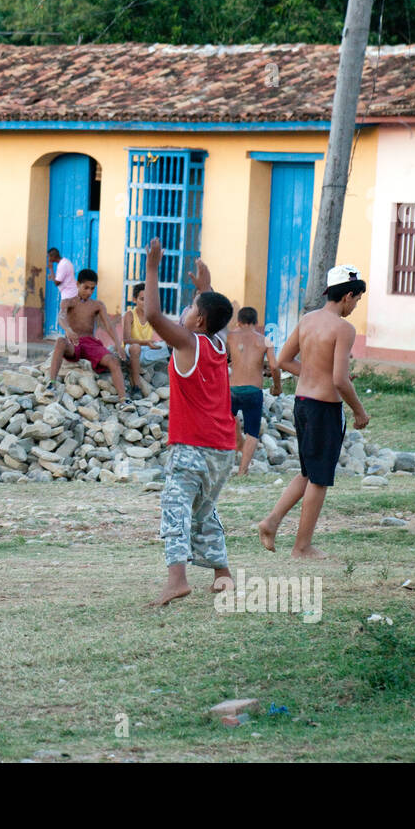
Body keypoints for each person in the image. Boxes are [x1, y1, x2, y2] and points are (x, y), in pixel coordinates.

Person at [140, 241, 237, 606]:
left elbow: (151, 315)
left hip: (192, 446)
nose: (186, 311)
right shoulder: (217, 344)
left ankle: (176, 580)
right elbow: (216, 316)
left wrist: (152, 268)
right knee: (203, 509)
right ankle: (222, 572)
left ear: (197, 321)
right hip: (222, 449)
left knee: (176, 507)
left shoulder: (189, 344)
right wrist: (206, 291)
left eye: (192, 307)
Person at [258, 265, 370, 560]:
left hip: (302, 403)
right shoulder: (344, 329)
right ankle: (302, 546)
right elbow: (339, 380)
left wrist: (314, 374)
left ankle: (271, 522)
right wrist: (359, 412)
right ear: (348, 295)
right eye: (357, 300)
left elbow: (282, 359)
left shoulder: (308, 320)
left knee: (308, 472)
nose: (355, 307)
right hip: (324, 409)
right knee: (320, 479)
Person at [46, 267, 128, 402]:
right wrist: (68, 330)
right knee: (60, 341)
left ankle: (124, 400)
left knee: (113, 360)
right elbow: (61, 317)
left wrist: (118, 345)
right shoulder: (68, 302)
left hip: (91, 343)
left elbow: (108, 325)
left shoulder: (97, 305)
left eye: (92, 288)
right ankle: (52, 384)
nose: (89, 292)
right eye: (86, 288)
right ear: (77, 285)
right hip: (74, 343)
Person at [227, 306, 283, 476]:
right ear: (257, 323)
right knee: (252, 431)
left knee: (230, 419)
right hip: (253, 390)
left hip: (232, 388)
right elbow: (274, 366)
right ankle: (242, 472)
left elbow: (222, 359)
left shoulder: (229, 337)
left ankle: (237, 443)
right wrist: (277, 387)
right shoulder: (265, 341)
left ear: (238, 321)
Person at [120, 281, 168, 398]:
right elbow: (126, 340)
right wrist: (146, 342)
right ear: (135, 300)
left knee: (172, 346)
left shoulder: (152, 316)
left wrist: (166, 343)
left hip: (146, 349)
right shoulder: (129, 315)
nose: (146, 303)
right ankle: (136, 387)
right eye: (142, 299)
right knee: (136, 348)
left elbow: (164, 331)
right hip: (131, 348)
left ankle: (176, 383)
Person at [46, 247, 78, 337]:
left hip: (68, 295)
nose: (49, 259)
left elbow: (57, 282)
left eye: (49, 257)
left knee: (63, 319)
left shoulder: (62, 265)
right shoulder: (66, 262)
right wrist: (52, 277)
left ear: (53, 256)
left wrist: (51, 269)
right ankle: (70, 338)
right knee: (69, 318)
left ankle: (70, 338)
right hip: (72, 293)